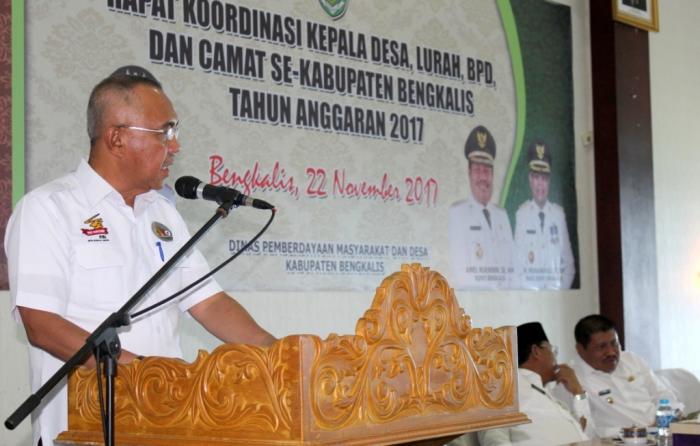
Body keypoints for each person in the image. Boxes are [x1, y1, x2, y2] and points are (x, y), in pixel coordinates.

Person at [4, 66, 276, 446]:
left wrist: (278, 355)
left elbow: (209, 302)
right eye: (165, 132)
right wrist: (149, 377)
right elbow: (42, 324)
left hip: (163, 427)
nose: (175, 146)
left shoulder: (162, 213)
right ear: (117, 138)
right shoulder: (48, 209)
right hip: (81, 431)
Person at [476, 322, 592, 446]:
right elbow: (494, 439)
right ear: (536, 351)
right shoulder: (504, 387)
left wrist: (578, 392)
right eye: (552, 351)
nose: (555, 358)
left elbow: (584, 431)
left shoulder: (546, 394)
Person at [570, 314, 683, 438]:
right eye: (601, 347)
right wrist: (643, 431)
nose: (611, 352)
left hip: (662, 435)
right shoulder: (572, 380)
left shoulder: (631, 360)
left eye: (614, 343)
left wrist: (668, 417)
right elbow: (585, 431)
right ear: (580, 349)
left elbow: (663, 395)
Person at [448, 125, 515, 289]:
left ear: (492, 175)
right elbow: (461, 275)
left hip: (508, 301)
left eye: (487, 170)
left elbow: (514, 268)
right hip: (477, 302)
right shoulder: (458, 214)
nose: (483, 177)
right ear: (469, 173)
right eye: (477, 170)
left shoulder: (502, 215)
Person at [514, 139, 575, 289]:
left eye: (544, 178)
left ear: (549, 181)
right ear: (530, 179)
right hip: (529, 297)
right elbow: (516, 266)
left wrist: (557, 294)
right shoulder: (522, 215)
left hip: (555, 296)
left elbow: (569, 266)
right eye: (536, 177)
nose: (540, 184)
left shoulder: (559, 215)